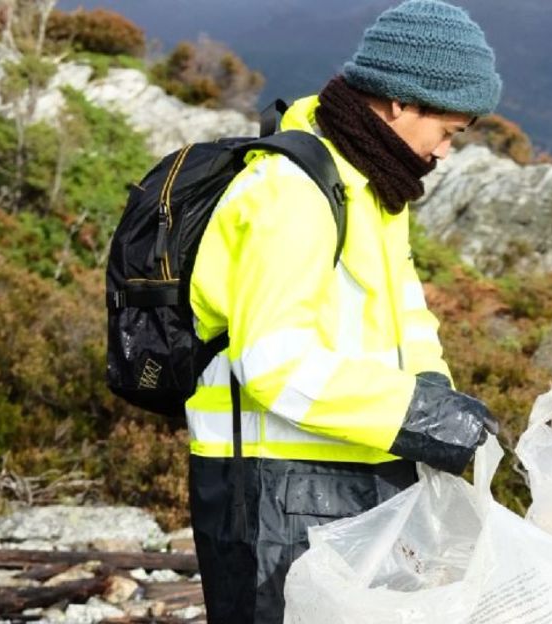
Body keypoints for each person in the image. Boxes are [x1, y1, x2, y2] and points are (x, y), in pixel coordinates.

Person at [184, 1, 502, 621]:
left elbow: (405, 313)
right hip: (271, 488)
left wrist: (436, 390)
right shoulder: (292, 191)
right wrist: (416, 414)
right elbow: (272, 363)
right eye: (448, 131)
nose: (444, 153)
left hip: (355, 464)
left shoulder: (374, 190)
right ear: (400, 103)